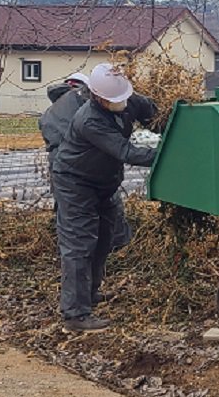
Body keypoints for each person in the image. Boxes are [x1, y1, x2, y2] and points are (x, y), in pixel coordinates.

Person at [52, 63, 158, 332]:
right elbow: (126, 152)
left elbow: (155, 115)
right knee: (79, 243)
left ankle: (90, 294)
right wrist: (169, 154)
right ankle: (75, 315)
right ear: (98, 97)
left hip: (104, 183)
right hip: (75, 183)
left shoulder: (126, 99)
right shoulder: (89, 120)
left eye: (124, 97)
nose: (122, 103)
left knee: (104, 237)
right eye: (114, 100)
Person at [39, 71, 132, 249]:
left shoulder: (51, 111)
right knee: (108, 205)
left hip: (59, 168)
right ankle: (117, 246)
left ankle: (66, 248)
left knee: (68, 213)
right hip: (86, 166)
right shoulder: (84, 105)